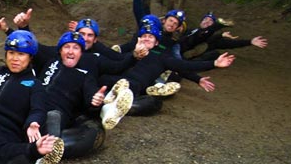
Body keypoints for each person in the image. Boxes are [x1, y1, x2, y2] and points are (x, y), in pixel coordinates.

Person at [99, 14, 237, 100]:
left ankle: (154, 88)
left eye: (150, 37)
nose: (147, 39)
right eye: (144, 36)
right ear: (139, 39)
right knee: (103, 77)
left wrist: (212, 65)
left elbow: (185, 66)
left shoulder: (163, 57)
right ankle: (105, 98)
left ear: (157, 42)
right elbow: (106, 55)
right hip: (117, 79)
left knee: (129, 86)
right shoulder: (130, 51)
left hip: (135, 85)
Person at [37, 31, 135, 132]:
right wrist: (24, 26)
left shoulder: (85, 75)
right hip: (35, 103)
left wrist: (95, 101)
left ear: (81, 53)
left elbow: (90, 98)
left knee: (52, 117)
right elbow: (34, 50)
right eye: (67, 47)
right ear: (60, 50)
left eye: (76, 48)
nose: (70, 51)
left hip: (56, 113)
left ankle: (109, 108)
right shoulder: (50, 61)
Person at [180, 12, 268, 60]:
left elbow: (231, 43)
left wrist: (250, 42)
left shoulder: (213, 39)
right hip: (180, 48)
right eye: (205, 19)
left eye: (210, 21)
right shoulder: (190, 30)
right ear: (201, 21)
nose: (206, 21)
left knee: (213, 53)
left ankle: (191, 59)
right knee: (197, 36)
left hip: (191, 54)